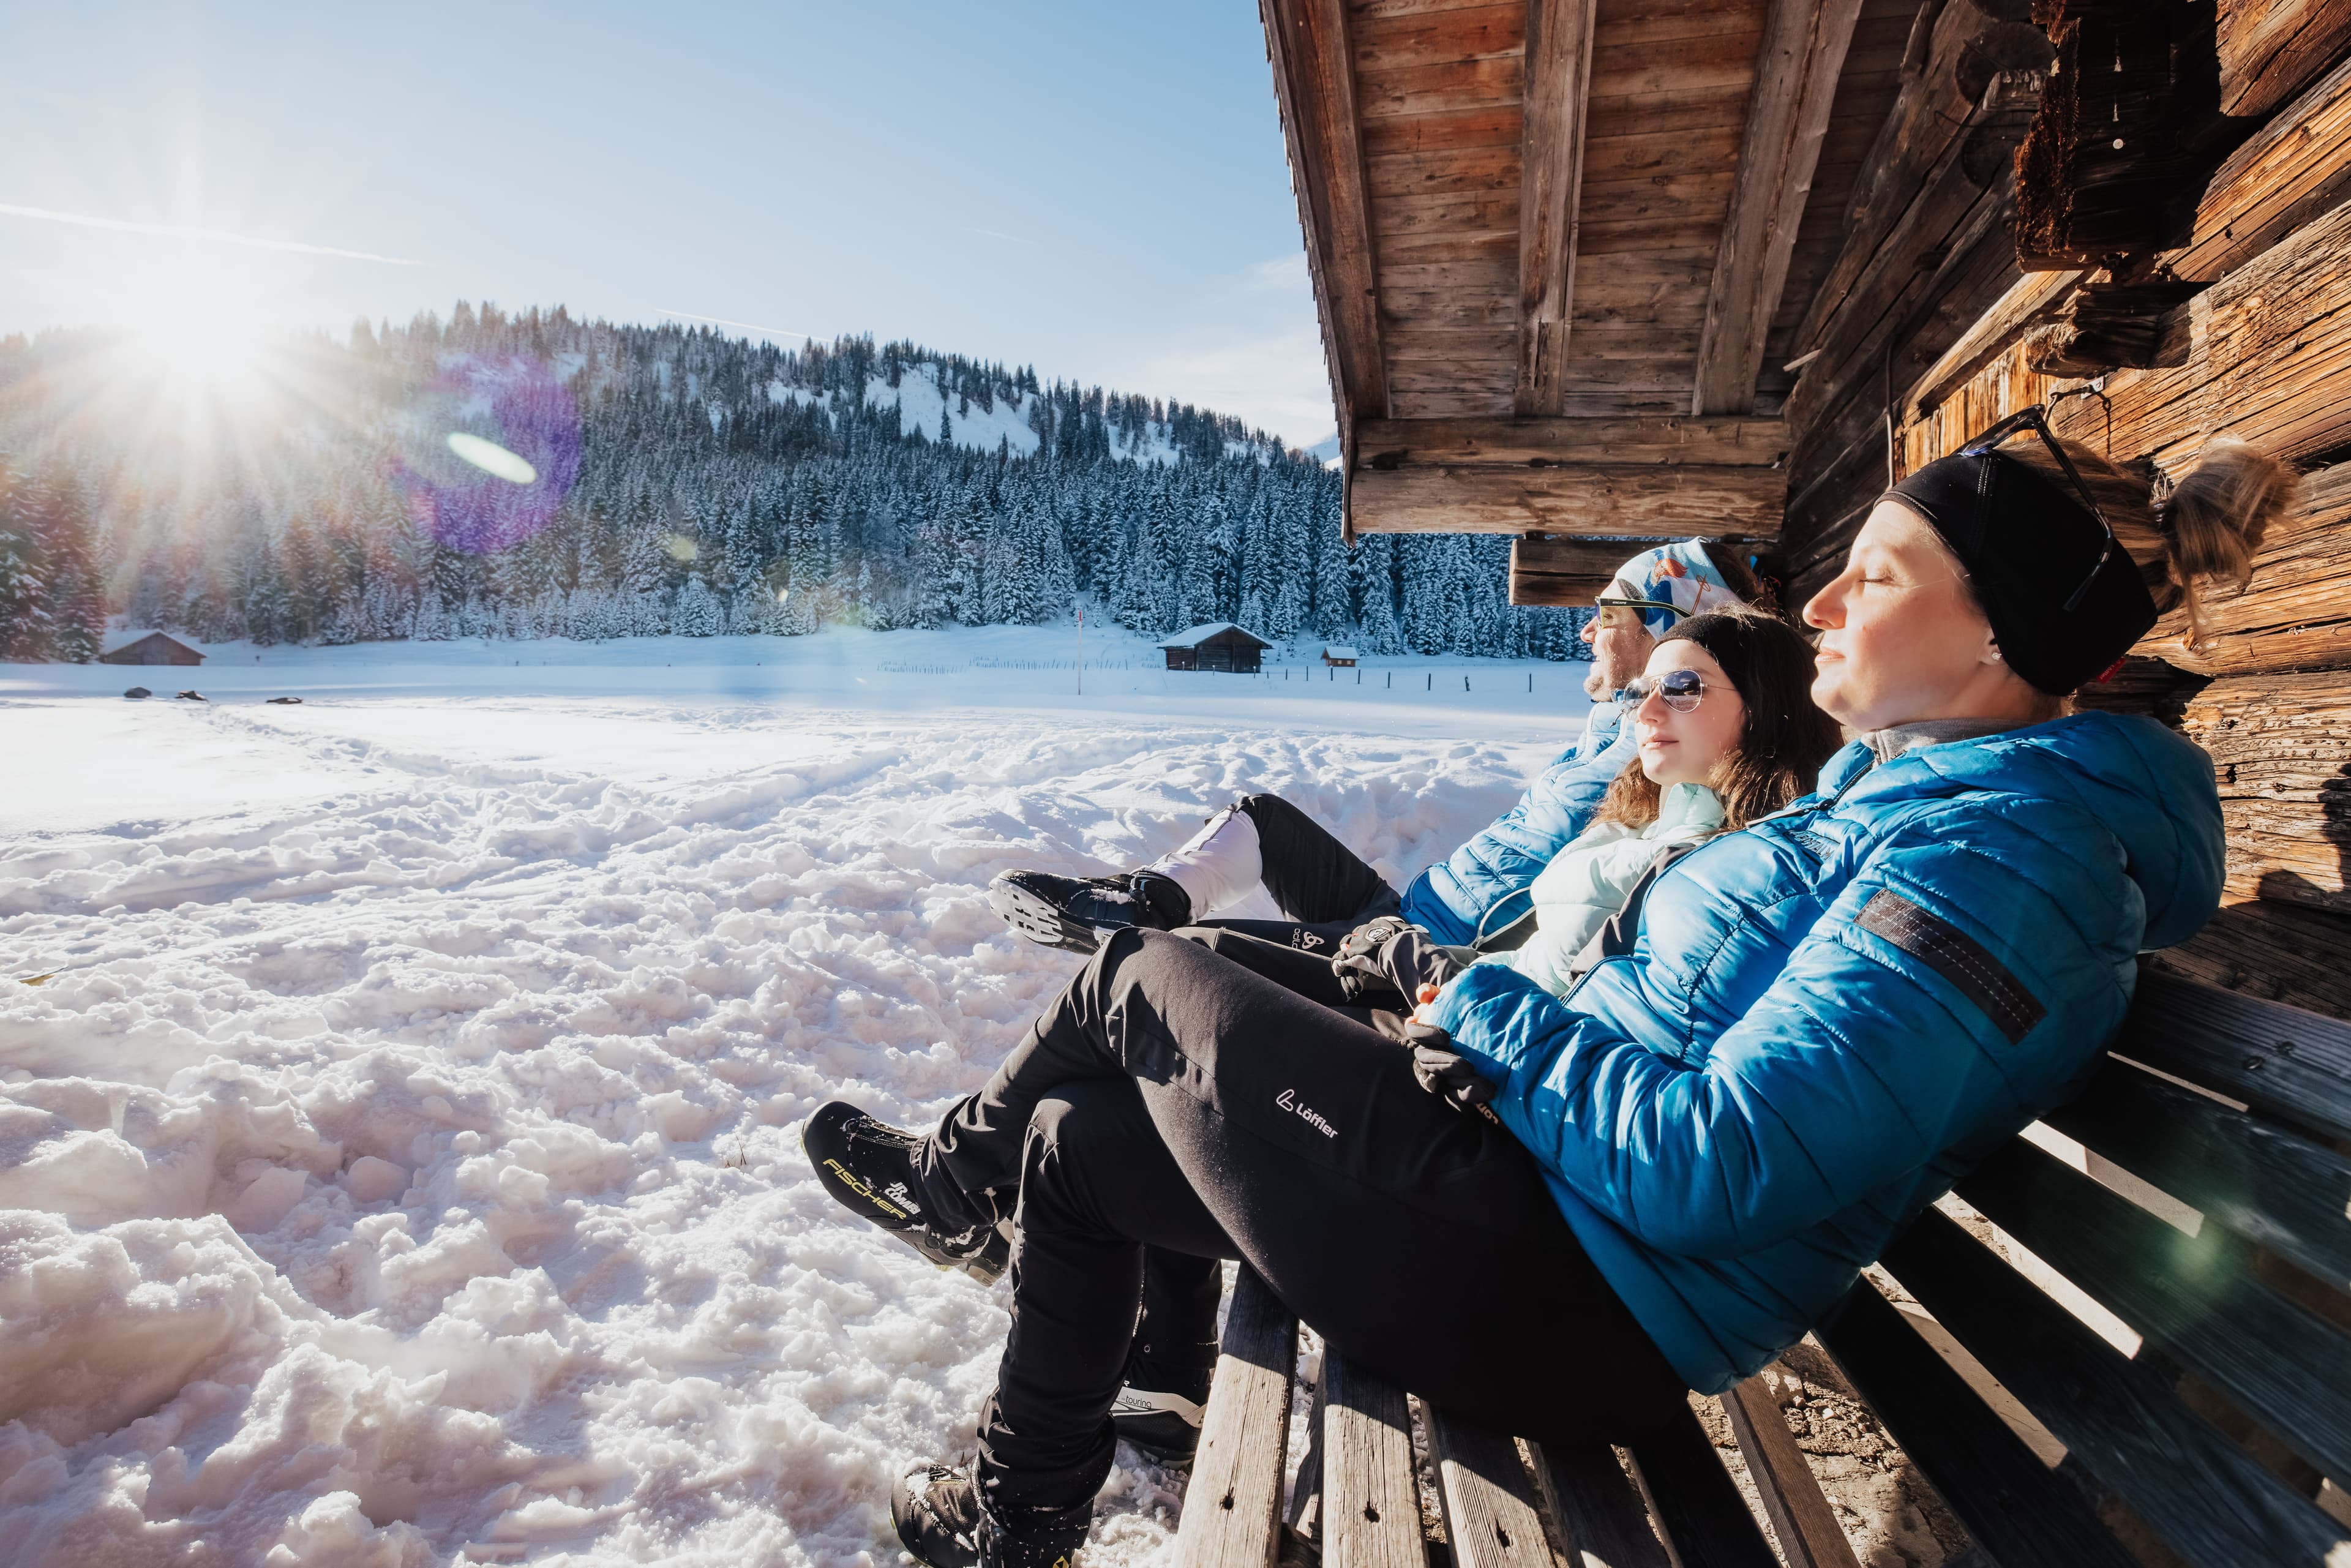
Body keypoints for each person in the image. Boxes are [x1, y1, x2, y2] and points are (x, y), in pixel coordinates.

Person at [804, 415, 2281, 1568]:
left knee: (1141, 970)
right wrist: (1485, 1012)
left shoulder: (1999, 865)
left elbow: (1722, 1162)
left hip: (1577, 1288)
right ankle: (1024, 1506)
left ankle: (952, 1188)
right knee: (1081, 1144)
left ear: (1999, 634)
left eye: (1878, 571)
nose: (1821, 593)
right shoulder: (1919, 809)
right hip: (1532, 1204)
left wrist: (1486, 1012)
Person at [988, 539, 1766, 957]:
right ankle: (1140, 901)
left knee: (1189, 965)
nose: (1587, 630)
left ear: (1668, 629)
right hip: (1413, 908)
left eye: (1609, 613)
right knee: (1260, 817)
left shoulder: (1668, 758)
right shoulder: (1611, 729)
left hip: (1424, 952)